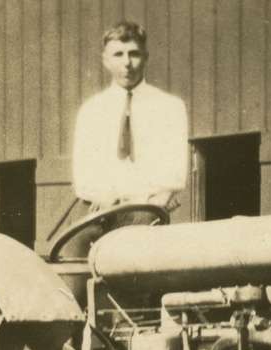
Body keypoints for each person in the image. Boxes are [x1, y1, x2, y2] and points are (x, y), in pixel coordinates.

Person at [71, 21, 188, 212]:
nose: (127, 63)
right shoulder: (91, 111)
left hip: (149, 210)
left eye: (134, 54)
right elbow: (82, 174)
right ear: (105, 60)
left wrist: (158, 197)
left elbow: (175, 171)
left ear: (146, 57)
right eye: (118, 54)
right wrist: (102, 196)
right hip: (103, 210)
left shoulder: (170, 107)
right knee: (70, 243)